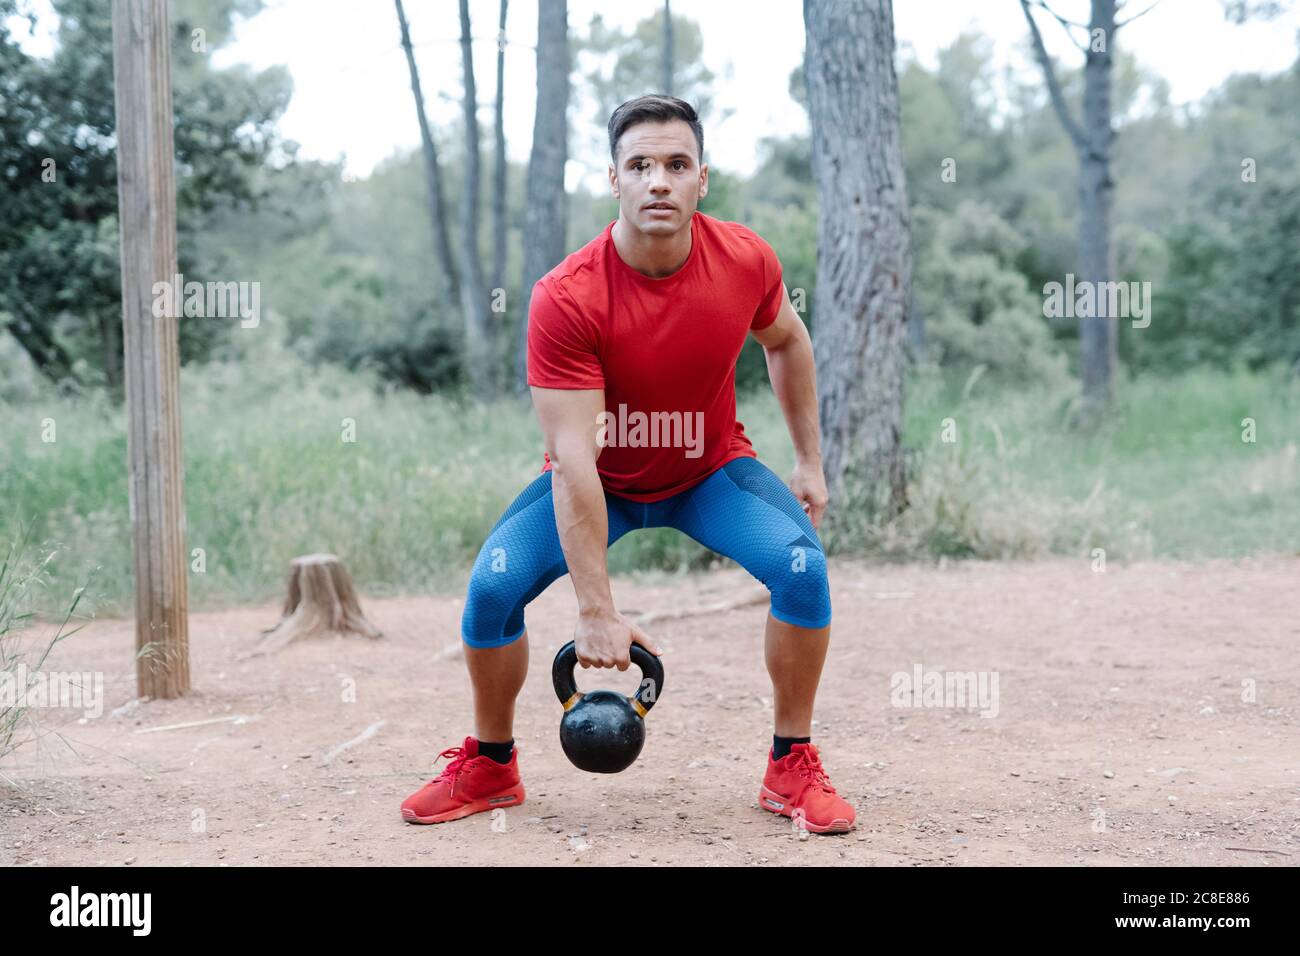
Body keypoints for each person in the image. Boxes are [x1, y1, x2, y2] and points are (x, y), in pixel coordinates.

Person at [401, 94, 854, 834]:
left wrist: (809, 462)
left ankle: (789, 764)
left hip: (710, 474)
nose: (659, 181)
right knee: (490, 591)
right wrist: (594, 611)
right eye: (640, 165)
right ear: (614, 179)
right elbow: (574, 459)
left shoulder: (745, 261)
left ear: (701, 178)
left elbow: (787, 340)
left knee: (802, 568)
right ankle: (490, 765)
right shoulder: (566, 297)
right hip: (601, 482)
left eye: (676, 165)